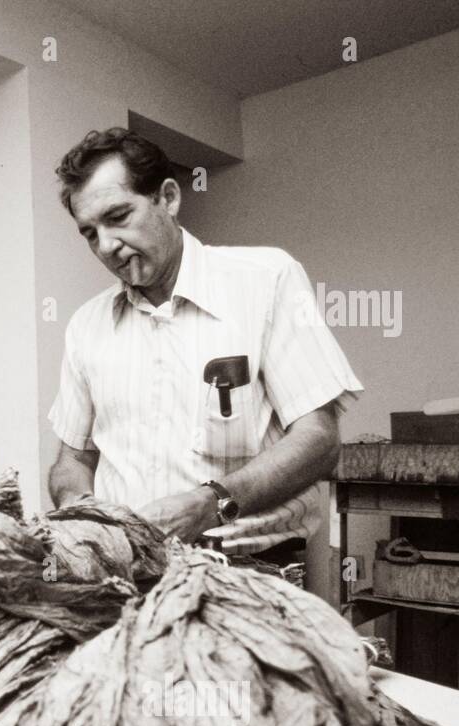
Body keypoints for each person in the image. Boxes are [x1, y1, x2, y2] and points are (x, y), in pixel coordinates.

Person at [48, 127, 362, 564]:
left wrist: (210, 504)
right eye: (89, 233)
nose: (106, 246)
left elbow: (319, 440)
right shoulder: (86, 325)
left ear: (169, 198)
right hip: (126, 573)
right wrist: (80, 514)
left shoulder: (266, 280)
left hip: (247, 571)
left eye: (118, 217)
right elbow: (72, 460)